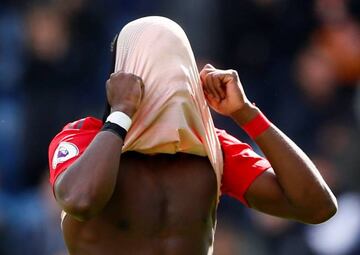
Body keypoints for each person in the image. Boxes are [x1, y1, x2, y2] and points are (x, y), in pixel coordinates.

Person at [48, 17, 337, 255]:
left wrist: (247, 114)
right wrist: (121, 115)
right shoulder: (83, 139)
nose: (169, 86)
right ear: (123, 80)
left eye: (177, 73)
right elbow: (80, 200)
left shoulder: (213, 148)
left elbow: (317, 207)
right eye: (153, 74)